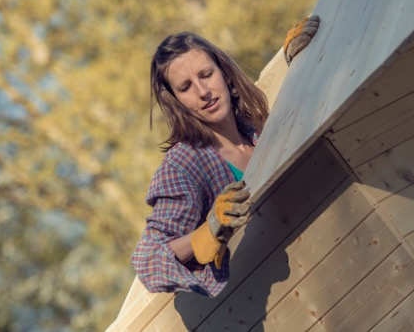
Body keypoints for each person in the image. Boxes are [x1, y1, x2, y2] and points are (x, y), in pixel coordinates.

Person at [131, 16, 320, 297]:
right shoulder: (184, 164)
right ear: (176, 102)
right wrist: (207, 234)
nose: (203, 92)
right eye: (185, 87)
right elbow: (148, 262)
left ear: (224, 73)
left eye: (206, 75)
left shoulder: (256, 129)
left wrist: (296, 62)